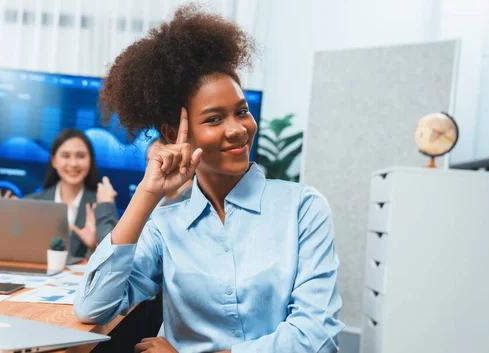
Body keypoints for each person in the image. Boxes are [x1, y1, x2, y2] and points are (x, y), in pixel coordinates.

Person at [74, 5, 344, 353]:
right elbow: (92, 306)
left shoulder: (303, 208)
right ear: (176, 134)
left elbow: (317, 337)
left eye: (242, 112)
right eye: (215, 119)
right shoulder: (165, 225)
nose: (237, 130)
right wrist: (147, 193)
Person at [27, 128, 118, 258]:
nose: (73, 163)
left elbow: (116, 259)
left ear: (90, 161)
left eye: (81, 156)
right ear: (54, 161)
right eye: (66, 156)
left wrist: (93, 246)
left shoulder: (102, 205)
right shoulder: (32, 203)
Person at [147, 138, 193, 206]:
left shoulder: (189, 201)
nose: (151, 168)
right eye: (148, 160)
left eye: (159, 160)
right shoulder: (159, 201)